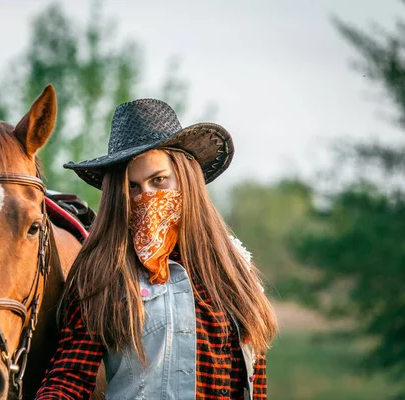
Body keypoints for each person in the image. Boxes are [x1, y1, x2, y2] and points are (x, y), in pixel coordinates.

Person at [35, 98, 277, 399]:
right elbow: (70, 378)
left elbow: (256, 383)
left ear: (185, 180)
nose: (145, 195)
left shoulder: (235, 270)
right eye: (132, 186)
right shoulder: (102, 272)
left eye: (159, 180)